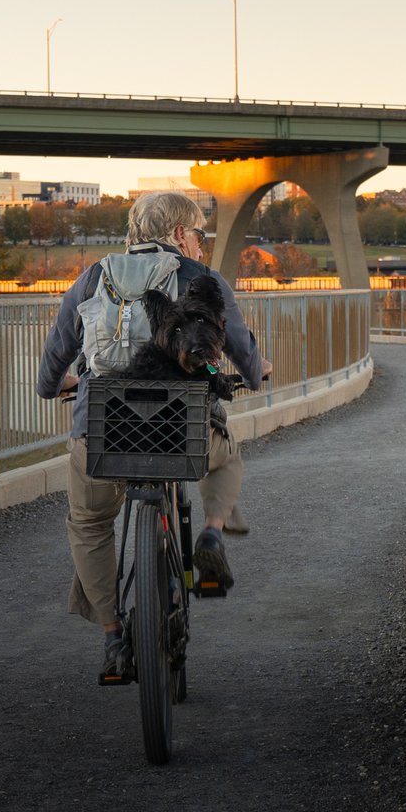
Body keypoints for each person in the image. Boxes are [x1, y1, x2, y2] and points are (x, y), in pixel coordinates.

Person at [35, 191, 264, 684]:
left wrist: (58, 385)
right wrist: (257, 370)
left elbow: (54, 359)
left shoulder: (93, 277)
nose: (201, 247)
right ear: (180, 235)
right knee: (224, 453)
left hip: (102, 431)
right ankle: (210, 535)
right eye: (200, 236)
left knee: (90, 522)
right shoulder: (200, 279)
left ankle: (114, 639)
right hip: (179, 429)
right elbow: (241, 349)